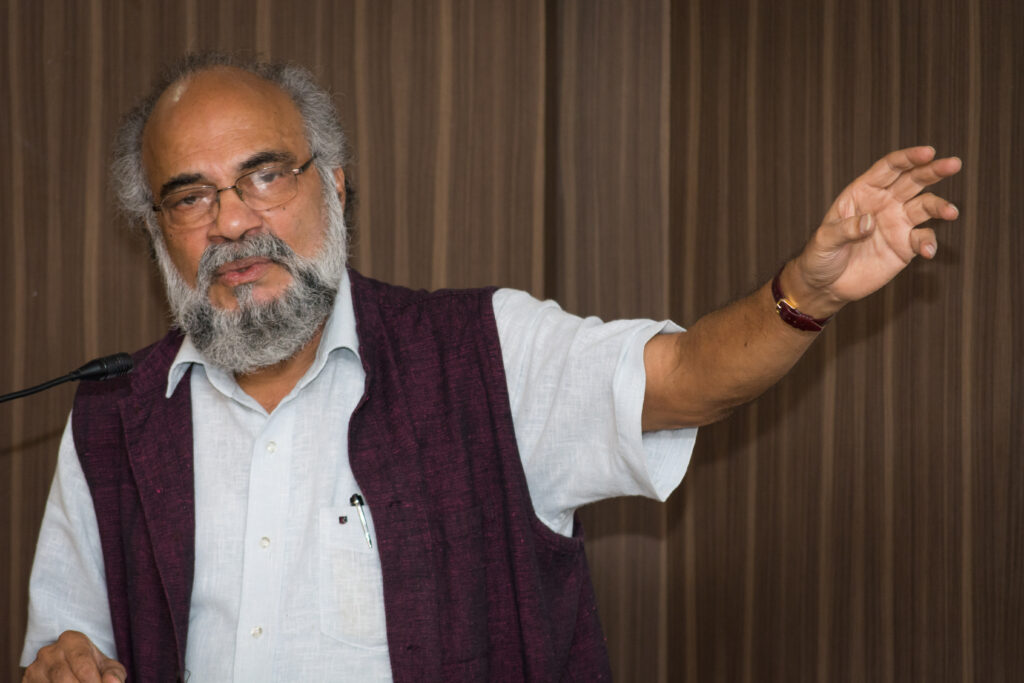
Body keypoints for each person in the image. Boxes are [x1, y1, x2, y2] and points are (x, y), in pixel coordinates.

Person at [20, 53, 961, 683]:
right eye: (190, 197)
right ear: (159, 232)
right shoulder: (110, 418)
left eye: (265, 175)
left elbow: (683, 376)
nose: (232, 221)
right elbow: (67, 646)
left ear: (334, 185)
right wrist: (62, 662)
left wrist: (805, 292)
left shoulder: (484, 355)